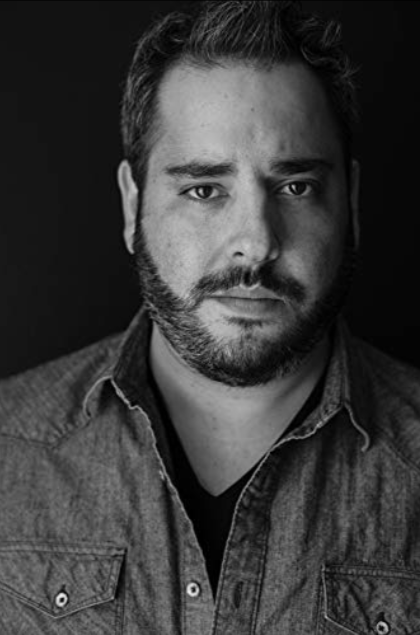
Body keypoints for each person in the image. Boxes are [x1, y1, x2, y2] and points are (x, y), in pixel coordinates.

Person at [0, 1, 419, 633]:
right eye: (204, 189)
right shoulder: (8, 455)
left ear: (351, 203)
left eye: (296, 186)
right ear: (131, 204)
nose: (255, 242)